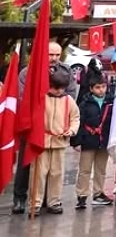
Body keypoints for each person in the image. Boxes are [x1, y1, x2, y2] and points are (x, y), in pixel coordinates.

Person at [12, 42, 77, 214]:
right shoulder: (27, 72)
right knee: (26, 164)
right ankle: (20, 199)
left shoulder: (66, 71)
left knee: (53, 168)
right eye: (50, 55)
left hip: (54, 128)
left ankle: (50, 201)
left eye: (57, 55)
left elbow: (71, 93)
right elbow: (22, 97)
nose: (54, 58)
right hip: (33, 126)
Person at [31, 69, 80, 215]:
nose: (59, 91)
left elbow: (75, 117)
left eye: (62, 88)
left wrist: (71, 130)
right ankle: (35, 202)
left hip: (59, 141)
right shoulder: (41, 98)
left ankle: (54, 201)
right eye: (55, 88)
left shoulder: (68, 100)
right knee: (38, 173)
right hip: (42, 141)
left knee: (57, 173)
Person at [72, 76, 114, 208]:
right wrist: (76, 142)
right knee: (85, 169)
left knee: (100, 169)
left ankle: (98, 193)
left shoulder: (111, 102)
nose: (101, 90)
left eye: (103, 87)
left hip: (104, 140)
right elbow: (79, 122)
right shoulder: (85, 103)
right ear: (91, 89)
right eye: (97, 87)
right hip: (88, 140)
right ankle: (82, 195)